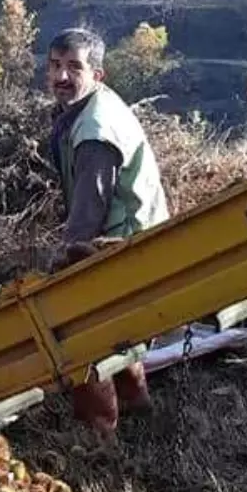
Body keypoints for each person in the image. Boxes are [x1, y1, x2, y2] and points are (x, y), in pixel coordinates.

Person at [45, 26, 170, 434]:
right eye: (55, 66)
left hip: (127, 242)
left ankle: (97, 436)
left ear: (97, 75)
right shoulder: (87, 108)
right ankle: (138, 407)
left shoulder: (96, 131)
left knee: (83, 334)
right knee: (120, 328)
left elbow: (88, 214)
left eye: (74, 68)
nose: (62, 77)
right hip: (133, 235)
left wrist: (61, 270)